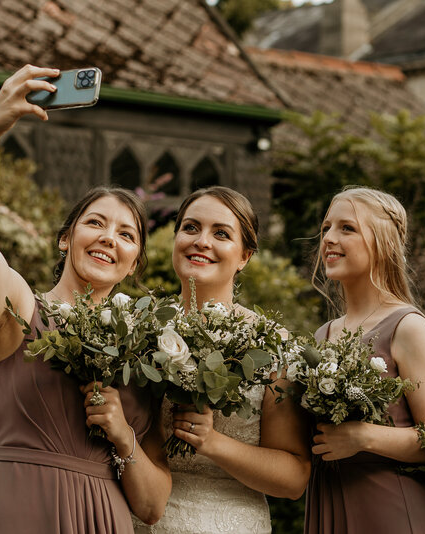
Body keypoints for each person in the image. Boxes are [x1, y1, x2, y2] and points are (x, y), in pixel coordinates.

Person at [0, 65, 171, 533]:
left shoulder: (146, 355)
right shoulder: (19, 312)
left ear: (134, 263)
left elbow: (152, 508)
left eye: (126, 234)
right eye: (95, 223)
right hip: (16, 513)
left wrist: (121, 434)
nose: (109, 238)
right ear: (64, 240)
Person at [132, 186, 311, 534]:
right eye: (190, 228)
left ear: (244, 255)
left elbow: (293, 479)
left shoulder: (272, 344)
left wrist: (213, 442)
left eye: (221, 234)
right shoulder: (137, 330)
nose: (201, 241)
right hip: (135, 519)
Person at [304, 186, 425, 533]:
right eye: (326, 227)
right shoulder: (322, 335)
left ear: (383, 244)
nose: (329, 238)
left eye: (347, 228)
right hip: (327, 500)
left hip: (390, 511)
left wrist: (361, 437)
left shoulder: (408, 327)